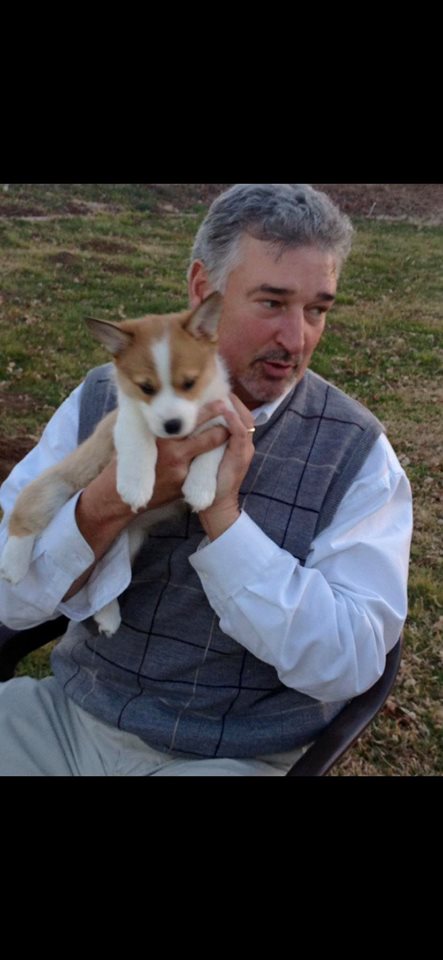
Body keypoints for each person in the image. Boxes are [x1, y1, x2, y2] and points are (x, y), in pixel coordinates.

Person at [0, 184, 412, 776]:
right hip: (68, 720)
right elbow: (8, 597)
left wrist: (224, 519)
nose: (296, 339)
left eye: (317, 309)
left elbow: (349, 662)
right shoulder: (102, 397)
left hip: (231, 754)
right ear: (202, 291)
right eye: (271, 302)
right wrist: (107, 504)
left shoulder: (357, 453)